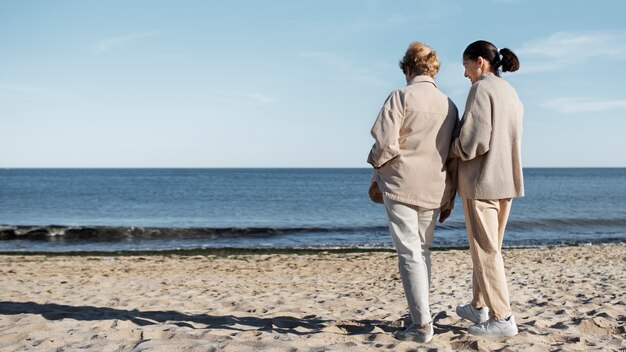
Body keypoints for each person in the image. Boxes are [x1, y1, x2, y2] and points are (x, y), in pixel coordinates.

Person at [367, 42, 459, 343]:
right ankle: (422, 316)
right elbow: (452, 156)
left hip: (402, 184)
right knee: (422, 251)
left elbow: (384, 144)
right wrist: (451, 196)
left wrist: (378, 169)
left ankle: (421, 325)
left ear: (408, 68)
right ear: (432, 69)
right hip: (436, 186)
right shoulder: (450, 105)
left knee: (409, 253)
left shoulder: (401, 96)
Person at [452, 40, 524, 337]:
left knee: (486, 252)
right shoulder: (510, 92)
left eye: (466, 66)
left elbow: (474, 141)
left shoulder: (481, 89)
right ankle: (479, 305)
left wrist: (452, 148)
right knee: (489, 248)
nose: (465, 73)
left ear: (480, 62)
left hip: (481, 181)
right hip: (506, 180)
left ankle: (503, 318)